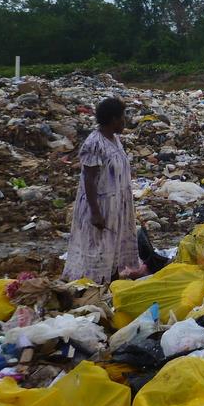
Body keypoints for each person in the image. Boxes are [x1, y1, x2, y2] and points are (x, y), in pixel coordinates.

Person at [63, 98, 137, 283]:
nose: (124, 121)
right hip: (100, 206)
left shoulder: (114, 139)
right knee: (97, 249)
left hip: (116, 205)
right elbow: (88, 180)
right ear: (113, 120)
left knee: (111, 247)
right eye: (122, 118)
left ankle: (110, 283)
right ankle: (92, 285)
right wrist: (95, 213)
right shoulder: (94, 144)